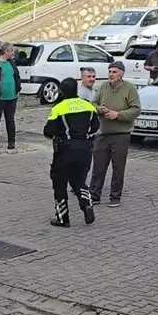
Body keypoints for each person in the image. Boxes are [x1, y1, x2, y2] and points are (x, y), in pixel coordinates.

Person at [44, 78, 100, 228]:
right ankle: (86, 203)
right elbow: (96, 127)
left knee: (59, 183)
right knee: (78, 180)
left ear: (61, 91)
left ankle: (63, 218)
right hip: (85, 149)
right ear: (76, 89)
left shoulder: (58, 108)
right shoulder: (88, 105)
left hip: (65, 150)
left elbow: (48, 131)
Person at [89, 61, 141, 208]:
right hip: (103, 133)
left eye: (115, 72)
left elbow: (136, 109)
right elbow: (93, 103)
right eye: (110, 72)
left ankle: (115, 197)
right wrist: (98, 109)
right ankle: (94, 195)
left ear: (122, 74)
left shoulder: (129, 88)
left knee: (118, 167)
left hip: (121, 134)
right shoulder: (104, 87)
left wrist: (117, 114)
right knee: (98, 167)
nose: (111, 75)